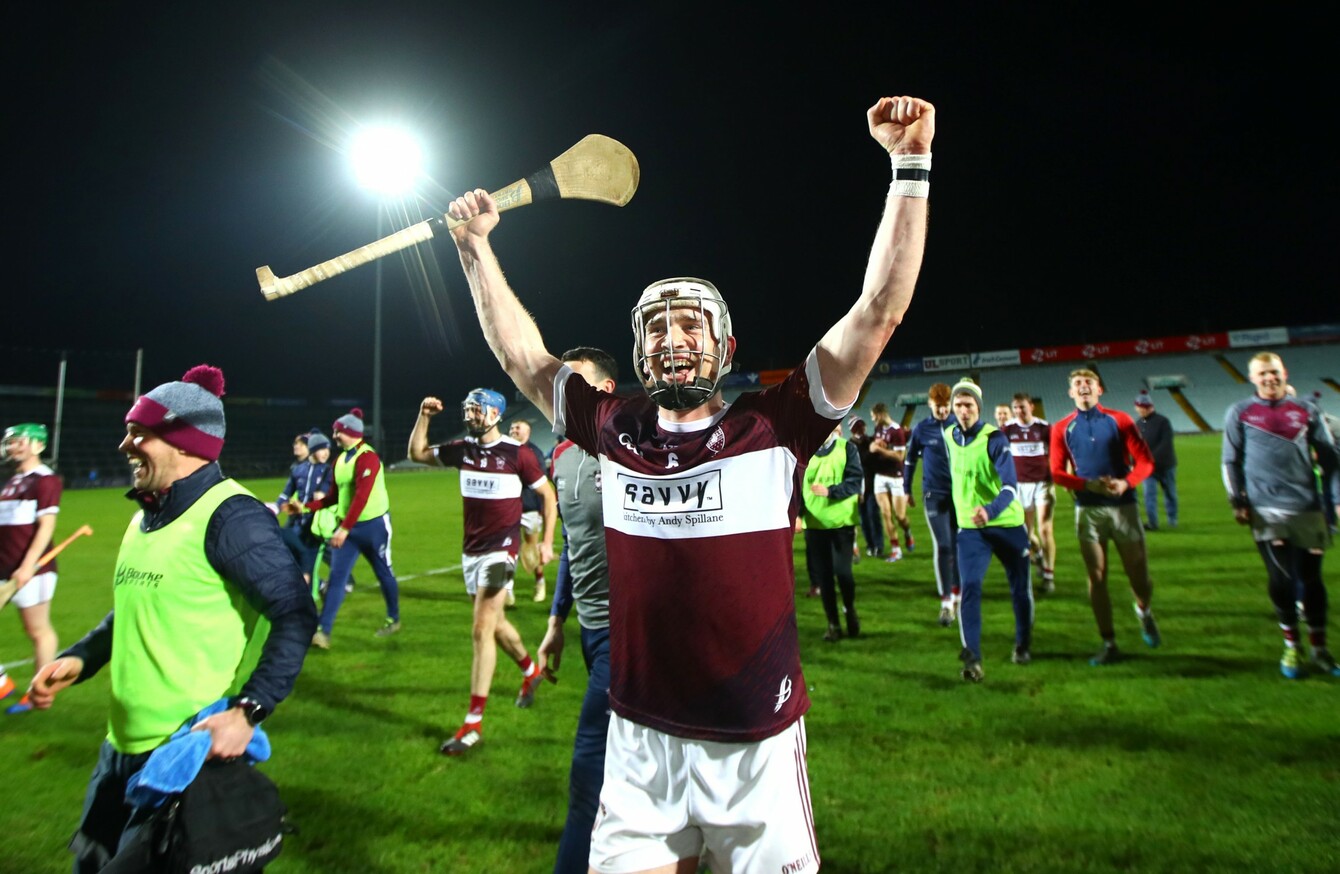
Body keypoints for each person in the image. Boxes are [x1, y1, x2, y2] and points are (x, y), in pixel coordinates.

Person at [446, 93, 934, 873]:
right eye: (655, 327)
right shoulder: (614, 428)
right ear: (638, 351)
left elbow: (878, 312)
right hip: (638, 742)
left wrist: (910, 164)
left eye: (688, 324)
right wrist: (475, 250)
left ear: (726, 346)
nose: (671, 338)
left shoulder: (777, 424)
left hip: (755, 745)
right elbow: (524, 361)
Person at [24, 365, 316, 871]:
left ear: (185, 443)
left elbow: (295, 612)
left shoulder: (233, 517)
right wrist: (82, 658)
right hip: (118, 751)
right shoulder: (146, 515)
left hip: (184, 756)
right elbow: (136, 608)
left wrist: (248, 710)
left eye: (139, 433)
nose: (125, 445)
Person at [408, 388, 557, 756]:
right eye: (469, 409)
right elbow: (417, 454)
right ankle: (530, 672)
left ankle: (472, 724)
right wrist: (424, 416)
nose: (470, 416)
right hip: (470, 552)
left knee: (480, 628)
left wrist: (546, 541)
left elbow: (548, 495)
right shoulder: (462, 449)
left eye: (477, 410)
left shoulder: (518, 453)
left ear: (495, 414)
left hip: (501, 551)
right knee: (496, 623)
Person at [537, 347, 619, 874]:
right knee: (629, 763)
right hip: (590, 629)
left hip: (629, 635)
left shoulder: (632, 448)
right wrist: (555, 622)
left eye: (576, 380)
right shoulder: (561, 455)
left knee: (588, 769)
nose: (561, 389)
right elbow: (572, 543)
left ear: (605, 391)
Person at [1222, 352, 1340, 678]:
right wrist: (1237, 500)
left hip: (1307, 508)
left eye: (1273, 371)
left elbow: (1331, 460)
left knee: (1311, 579)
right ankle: (1292, 646)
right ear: (1252, 378)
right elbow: (1230, 461)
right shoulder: (1240, 412)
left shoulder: (1306, 410)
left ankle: (1320, 649)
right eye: (1262, 373)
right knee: (1281, 579)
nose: (1269, 378)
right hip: (1266, 510)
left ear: (1284, 372)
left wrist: (1336, 499)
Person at [1051, 368, 1161, 666]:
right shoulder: (1061, 428)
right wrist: (1087, 485)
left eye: (1089, 382)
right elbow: (1057, 473)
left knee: (1139, 576)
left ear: (1099, 389)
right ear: (1070, 392)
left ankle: (1144, 611)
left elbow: (1145, 462)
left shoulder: (1120, 420)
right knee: (1096, 576)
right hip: (1088, 510)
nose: (1083, 386)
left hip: (1124, 506)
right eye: (1077, 383)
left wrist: (1126, 483)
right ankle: (1109, 643)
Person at [943, 380, 1034, 681]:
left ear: (978, 408)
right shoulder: (949, 435)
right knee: (969, 587)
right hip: (971, 529)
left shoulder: (994, 438)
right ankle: (973, 659)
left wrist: (990, 510)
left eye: (968, 405)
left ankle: (1022, 644)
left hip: (1007, 525)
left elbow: (1010, 486)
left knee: (1019, 589)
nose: (963, 410)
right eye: (958, 405)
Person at [305, 408, 402, 648]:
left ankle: (394, 618)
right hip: (348, 529)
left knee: (384, 573)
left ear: (349, 432)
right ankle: (323, 631)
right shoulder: (339, 461)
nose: (334, 436)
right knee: (337, 579)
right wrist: (306, 507)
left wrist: (344, 529)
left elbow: (362, 496)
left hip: (374, 528)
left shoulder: (368, 457)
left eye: (337, 431)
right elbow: (333, 497)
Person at [0, 423, 62, 714]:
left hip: (32, 570)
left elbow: (46, 526)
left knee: (38, 630)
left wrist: (26, 567)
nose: (13, 447)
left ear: (38, 445)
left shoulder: (45, 480)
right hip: (4, 566)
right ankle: (3, 683)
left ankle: (39, 692)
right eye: (11, 442)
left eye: (19, 441)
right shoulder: (14, 480)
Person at [801, 422, 864, 642]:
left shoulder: (847, 448)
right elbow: (794, 485)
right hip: (814, 525)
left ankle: (849, 608)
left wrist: (830, 491)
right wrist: (798, 514)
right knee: (824, 578)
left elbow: (855, 482)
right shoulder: (802, 451)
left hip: (842, 524)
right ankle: (833, 624)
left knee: (844, 573)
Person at [904, 383, 961, 625]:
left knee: (958, 545)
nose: (943, 411)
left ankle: (958, 595)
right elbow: (910, 460)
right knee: (944, 545)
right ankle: (946, 602)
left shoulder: (959, 426)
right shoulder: (921, 429)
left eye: (946, 406)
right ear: (930, 404)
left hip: (960, 495)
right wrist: (907, 489)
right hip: (933, 494)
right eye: (938, 406)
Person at [1003, 392, 1056, 592]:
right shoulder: (1008, 429)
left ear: (1031, 407)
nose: (1019, 411)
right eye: (1015, 407)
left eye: (1022, 407)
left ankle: (1049, 575)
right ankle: (1039, 554)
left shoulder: (1044, 428)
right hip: (1019, 485)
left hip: (1043, 484)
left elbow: (1056, 454)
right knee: (1025, 533)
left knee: (1045, 529)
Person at [273, 429, 333, 585]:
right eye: (322, 448)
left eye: (328, 449)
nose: (326, 453)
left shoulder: (329, 471)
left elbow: (333, 497)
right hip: (297, 525)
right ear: (313, 449)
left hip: (314, 529)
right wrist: (276, 508)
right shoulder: (298, 470)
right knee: (290, 562)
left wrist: (323, 497)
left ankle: (318, 590)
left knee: (308, 569)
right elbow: (286, 494)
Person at [511, 418, 551, 603]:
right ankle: (507, 590)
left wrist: (542, 508)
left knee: (532, 548)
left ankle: (540, 582)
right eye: (512, 427)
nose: (513, 430)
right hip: (508, 508)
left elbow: (541, 483)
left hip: (529, 507)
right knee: (507, 549)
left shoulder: (534, 452)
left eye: (517, 428)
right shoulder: (505, 449)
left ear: (527, 432)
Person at [869, 401, 915, 560]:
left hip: (896, 476)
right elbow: (877, 445)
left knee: (900, 516)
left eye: (874, 416)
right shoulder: (878, 429)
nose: (873, 420)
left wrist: (879, 449)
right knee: (886, 514)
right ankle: (896, 549)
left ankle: (907, 531)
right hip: (880, 476)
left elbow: (900, 456)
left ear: (881, 415)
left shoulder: (897, 431)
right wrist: (875, 445)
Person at [1134, 392, 1178, 531]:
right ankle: (1152, 523)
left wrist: (1150, 459)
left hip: (1166, 465)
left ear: (1151, 407)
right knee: (1149, 495)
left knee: (1170, 493)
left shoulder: (1163, 422)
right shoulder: (1138, 424)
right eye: (1140, 407)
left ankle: (1172, 520)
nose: (1143, 410)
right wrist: (1134, 462)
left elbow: (1165, 443)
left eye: (1146, 407)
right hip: (1148, 469)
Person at [848, 416, 885, 558]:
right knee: (864, 519)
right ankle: (871, 545)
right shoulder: (850, 445)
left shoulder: (871, 441)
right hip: (858, 487)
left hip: (873, 485)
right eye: (858, 426)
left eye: (862, 425)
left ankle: (878, 546)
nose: (861, 428)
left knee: (873, 515)